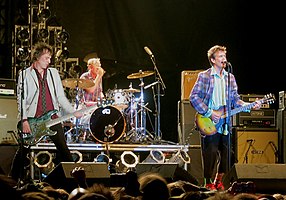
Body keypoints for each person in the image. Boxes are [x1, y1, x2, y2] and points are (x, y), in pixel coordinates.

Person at [189, 45, 261, 191]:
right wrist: (209, 112)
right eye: (220, 56)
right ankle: (208, 183)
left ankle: (219, 180)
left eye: (224, 56)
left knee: (227, 154)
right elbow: (193, 97)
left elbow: (236, 100)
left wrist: (250, 105)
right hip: (209, 121)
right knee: (210, 154)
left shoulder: (230, 77)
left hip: (225, 122)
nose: (224, 59)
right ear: (213, 60)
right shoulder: (205, 76)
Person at [10, 42, 82, 183]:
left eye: (50, 58)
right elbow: (21, 99)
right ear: (37, 58)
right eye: (46, 58)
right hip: (33, 119)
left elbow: (60, 97)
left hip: (52, 118)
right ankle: (12, 180)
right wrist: (24, 120)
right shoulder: (24, 74)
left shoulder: (53, 73)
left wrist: (73, 111)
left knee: (64, 150)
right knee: (23, 151)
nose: (49, 61)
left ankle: (76, 182)